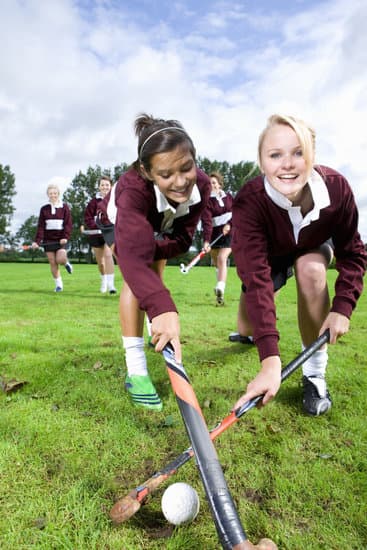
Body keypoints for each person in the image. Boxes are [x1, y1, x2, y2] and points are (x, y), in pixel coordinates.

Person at [231, 114, 366, 416]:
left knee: (311, 270)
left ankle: (314, 375)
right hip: (271, 256)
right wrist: (270, 360)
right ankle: (249, 329)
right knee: (246, 327)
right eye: (275, 155)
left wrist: (342, 307)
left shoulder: (337, 189)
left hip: (313, 247)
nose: (287, 164)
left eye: (298, 152)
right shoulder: (249, 201)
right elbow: (257, 279)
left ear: (313, 155)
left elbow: (353, 253)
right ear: (262, 161)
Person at [98, 113, 211, 411]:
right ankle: (136, 371)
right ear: (148, 172)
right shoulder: (131, 189)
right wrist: (163, 308)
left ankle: (154, 325)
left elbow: (184, 240)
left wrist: (159, 305)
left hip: (159, 223)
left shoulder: (201, 185)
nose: (180, 181)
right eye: (166, 175)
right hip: (119, 223)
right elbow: (134, 259)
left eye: (187, 167)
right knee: (137, 280)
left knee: (154, 278)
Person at [32, 184, 73, 292]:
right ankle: (59, 285)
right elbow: (41, 226)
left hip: (61, 239)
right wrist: (37, 241)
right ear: (48, 195)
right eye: (50, 193)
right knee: (52, 262)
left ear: (58, 194)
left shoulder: (64, 207)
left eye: (55, 193)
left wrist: (65, 237)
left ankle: (66, 263)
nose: (53, 195)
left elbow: (68, 224)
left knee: (60, 259)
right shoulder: (44, 209)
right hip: (48, 240)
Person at [202, 172, 233, 306]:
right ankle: (220, 296)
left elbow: (238, 212)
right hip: (215, 235)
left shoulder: (229, 197)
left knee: (222, 259)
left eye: (214, 183)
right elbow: (207, 223)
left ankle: (220, 287)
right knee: (217, 263)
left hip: (231, 232)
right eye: (209, 184)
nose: (212, 186)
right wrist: (207, 241)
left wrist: (229, 224)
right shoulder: (207, 202)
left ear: (219, 184)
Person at [83, 176, 117, 294]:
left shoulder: (115, 201)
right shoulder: (93, 202)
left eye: (107, 185)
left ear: (111, 186)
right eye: (102, 185)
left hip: (110, 232)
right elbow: (87, 218)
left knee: (108, 255)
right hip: (95, 235)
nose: (105, 187)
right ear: (99, 187)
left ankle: (111, 285)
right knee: (101, 263)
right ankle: (103, 281)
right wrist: (97, 226)